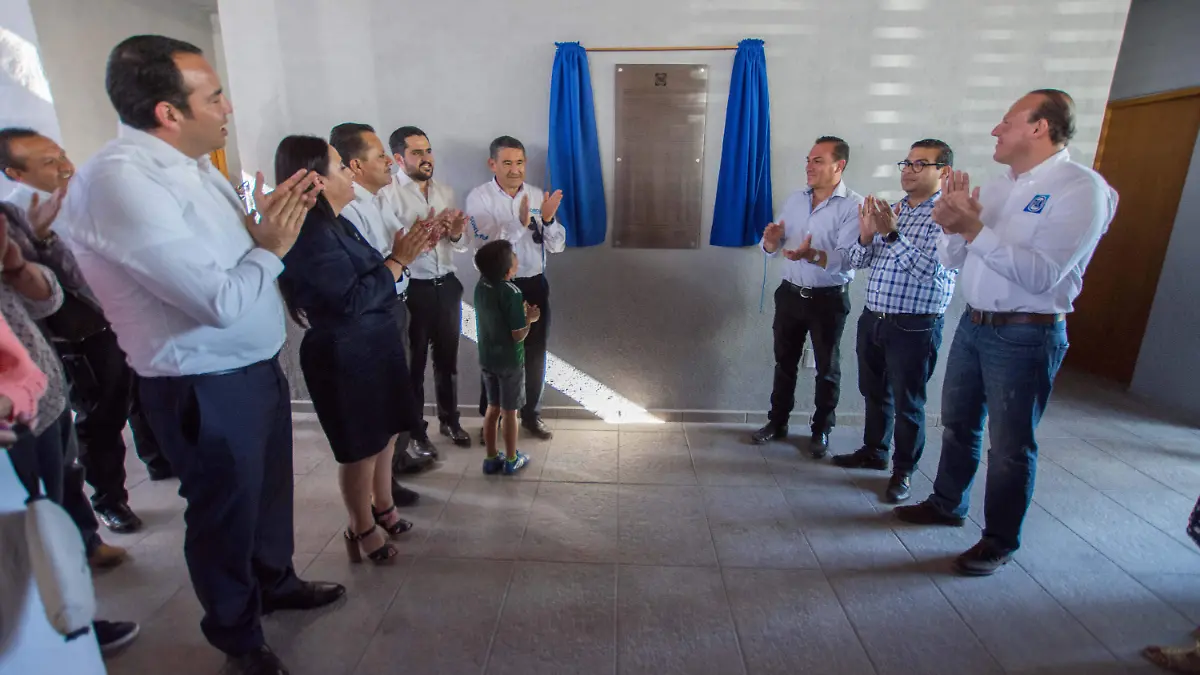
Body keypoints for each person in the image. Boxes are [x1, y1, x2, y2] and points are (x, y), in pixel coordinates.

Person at [57, 35, 343, 674]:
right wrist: (272, 244)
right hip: (201, 379)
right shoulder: (120, 183)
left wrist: (261, 224)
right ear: (168, 111)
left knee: (266, 495)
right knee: (223, 515)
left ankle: (275, 581)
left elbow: (234, 254)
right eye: (213, 96)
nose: (228, 107)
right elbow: (214, 299)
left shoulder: (194, 165)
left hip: (251, 366)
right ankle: (238, 638)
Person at [894, 89, 1118, 577]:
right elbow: (951, 260)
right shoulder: (997, 187)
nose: (996, 130)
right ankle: (946, 502)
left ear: (1040, 127)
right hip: (974, 324)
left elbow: (1042, 276)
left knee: (1011, 446)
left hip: (1026, 334)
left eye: (1007, 121)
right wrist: (952, 228)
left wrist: (973, 229)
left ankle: (999, 540)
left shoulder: (1081, 189)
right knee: (957, 424)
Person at [0, 127, 173, 538]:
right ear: (16, 174)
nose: (65, 166)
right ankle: (110, 501)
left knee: (140, 396)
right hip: (80, 333)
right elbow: (57, 285)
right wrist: (42, 240)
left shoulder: (78, 196)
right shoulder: (18, 218)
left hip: (120, 316)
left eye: (61, 155)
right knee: (101, 416)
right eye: (48, 163)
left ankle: (159, 460)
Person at [275, 134, 434, 564]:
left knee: (384, 433)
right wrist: (398, 260)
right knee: (359, 445)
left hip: (373, 341)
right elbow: (348, 300)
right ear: (315, 181)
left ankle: (383, 505)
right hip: (345, 351)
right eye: (339, 166)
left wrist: (401, 256)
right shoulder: (310, 234)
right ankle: (360, 525)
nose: (348, 172)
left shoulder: (337, 223)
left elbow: (371, 277)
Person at [0, 212, 139, 656]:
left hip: (42, 400)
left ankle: (72, 620)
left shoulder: (11, 220)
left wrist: (19, 265)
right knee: (20, 542)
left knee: (51, 516)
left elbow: (49, 302)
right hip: (10, 424)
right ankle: (46, 639)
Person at [832, 139, 959, 503]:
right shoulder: (895, 208)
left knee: (909, 402)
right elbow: (859, 260)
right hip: (875, 318)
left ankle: (903, 471)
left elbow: (929, 272)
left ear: (943, 172)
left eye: (920, 164)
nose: (908, 170)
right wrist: (867, 235)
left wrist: (890, 233)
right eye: (906, 163)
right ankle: (874, 450)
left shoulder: (946, 214)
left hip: (915, 325)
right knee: (874, 392)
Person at [330, 122, 438, 482]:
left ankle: (394, 466)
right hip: (373, 310)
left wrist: (427, 237)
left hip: (393, 305)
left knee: (398, 390)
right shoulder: (347, 210)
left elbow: (401, 248)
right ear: (356, 166)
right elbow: (381, 262)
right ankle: (383, 483)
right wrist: (401, 257)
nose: (390, 164)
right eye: (381, 157)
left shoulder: (377, 200)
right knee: (380, 400)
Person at [752, 136, 863, 458]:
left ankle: (821, 430)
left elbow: (849, 258)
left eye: (818, 161)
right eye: (808, 160)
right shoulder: (795, 200)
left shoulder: (853, 207)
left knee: (827, 368)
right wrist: (770, 243)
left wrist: (813, 255)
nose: (809, 166)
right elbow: (773, 248)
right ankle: (777, 422)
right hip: (789, 295)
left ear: (838, 165)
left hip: (827, 299)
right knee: (784, 363)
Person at [466, 136, 564, 442]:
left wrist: (546, 221)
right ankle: (491, 420)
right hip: (497, 286)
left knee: (534, 353)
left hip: (533, 283)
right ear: (492, 164)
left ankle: (531, 415)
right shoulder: (479, 198)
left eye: (519, 162)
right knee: (497, 353)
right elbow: (485, 246)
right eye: (507, 163)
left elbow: (558, 246)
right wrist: (520, 224)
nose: (514, 169)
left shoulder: (537, 195)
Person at [382, 126, 471, 448]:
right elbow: (384, 248)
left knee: (448, 362)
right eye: (417, 153)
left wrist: (457, 232)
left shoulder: (444, 191)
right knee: (413, 366)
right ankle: (416, 433)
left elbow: (459, 245)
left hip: (446, 285)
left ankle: (450, 422)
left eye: (428, 151)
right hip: (412, 290)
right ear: (398, 158)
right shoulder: (387, 195)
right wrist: (419, 235)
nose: (426, 158)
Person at [473, 240, 537, 475]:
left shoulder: (481, 286)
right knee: (511, 411)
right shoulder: (512, 292)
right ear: (507, 269)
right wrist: (529, 319)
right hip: (510, 360)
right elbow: (517, 335)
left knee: (493, 407)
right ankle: (511, 458)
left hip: (487, 358)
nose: (517, 258)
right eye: (513, 256)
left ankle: (491, 458)